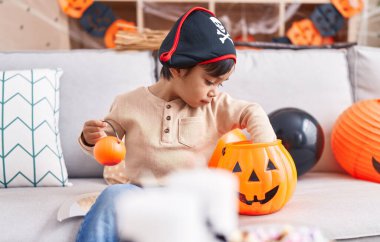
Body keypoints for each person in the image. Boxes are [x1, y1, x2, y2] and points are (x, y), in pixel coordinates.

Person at [76, 6, 276, 242]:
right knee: (113, 194)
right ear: (178, 68)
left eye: (219, 84)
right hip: (140, 193)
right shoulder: (128, 103)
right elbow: (107, 140)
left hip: (189, 196)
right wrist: (93, 137)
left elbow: (252, 111)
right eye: (210, 81)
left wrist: (266, 152)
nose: (214, 92)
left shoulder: (215, 106)